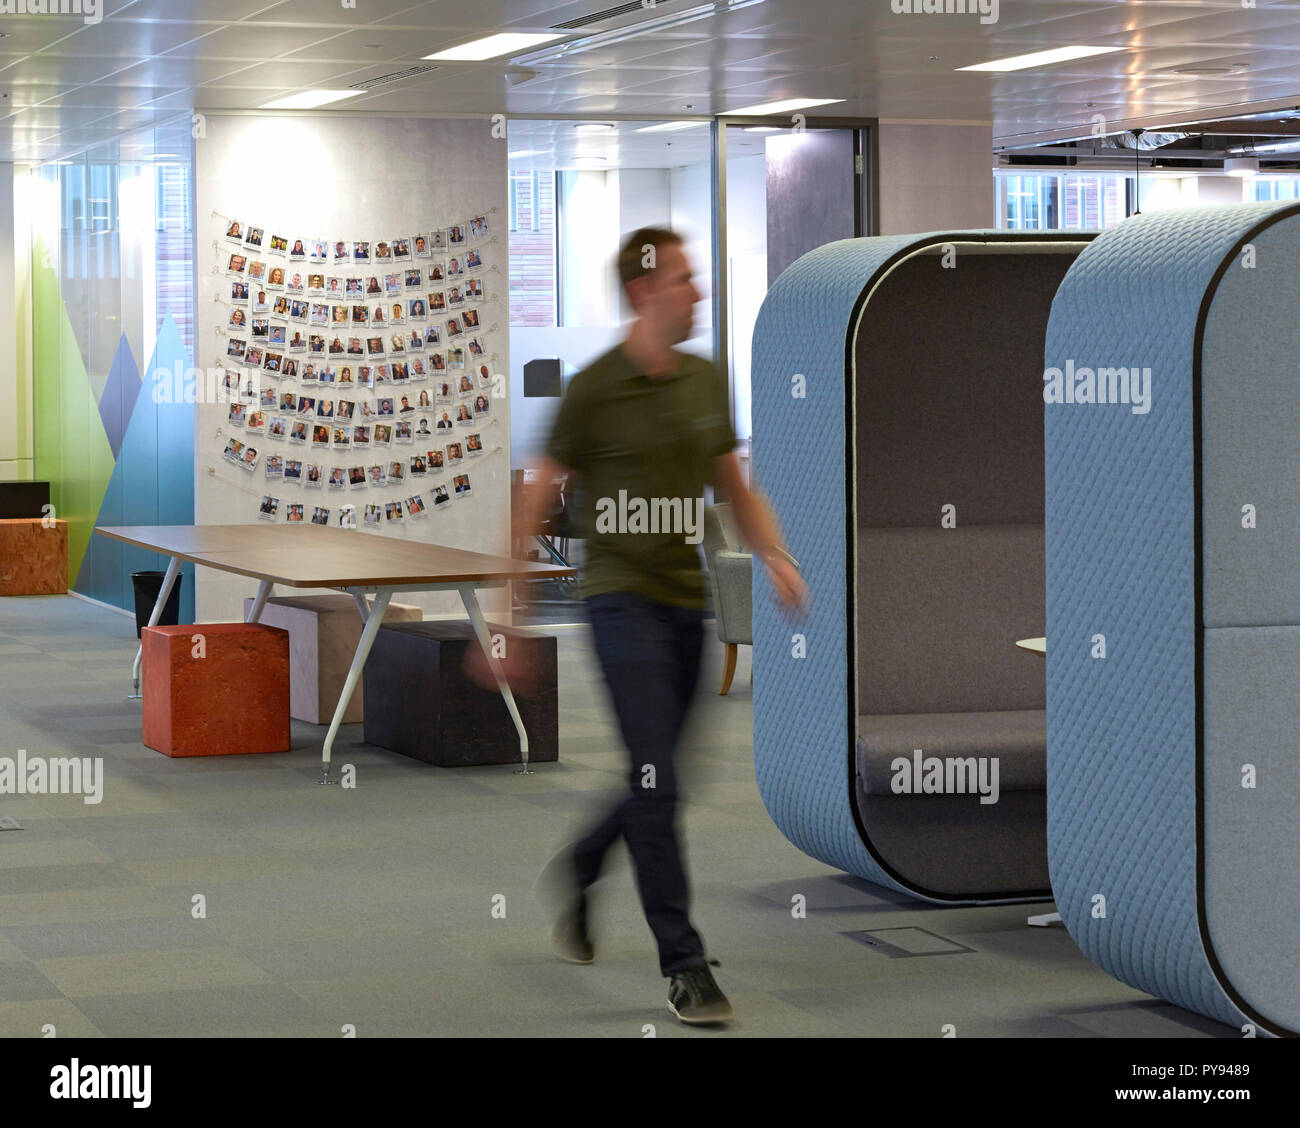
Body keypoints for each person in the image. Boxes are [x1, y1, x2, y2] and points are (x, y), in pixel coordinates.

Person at [523, 227, 808, 1027]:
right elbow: (538, 496)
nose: (698, 294)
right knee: (659, 778)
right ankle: (682, 962)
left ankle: (583, 864)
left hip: (686, 603)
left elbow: (732, 485)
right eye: (686, 280)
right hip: (618, 603)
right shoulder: (593, 389)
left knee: (658, 779)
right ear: (644, 290)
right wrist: (511, 620)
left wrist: (774, 554)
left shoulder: (704, 378)